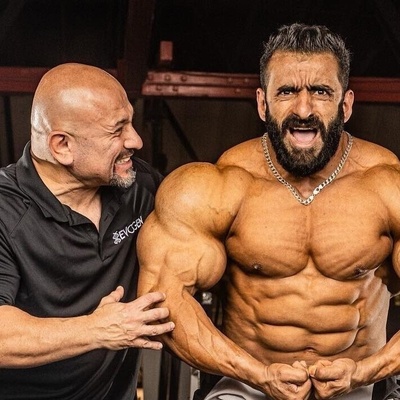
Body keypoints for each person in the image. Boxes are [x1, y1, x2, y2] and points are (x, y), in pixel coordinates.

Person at [137, 23, 400, 400]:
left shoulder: (388, 186)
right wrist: (259, 375)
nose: (303, 110)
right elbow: (164, 302)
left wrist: (365, 371)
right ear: (262, 103)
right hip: (247, 383)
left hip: (359, 384)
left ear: (346, 104)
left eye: (321, 91)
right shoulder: (213, 188)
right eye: (287, 91)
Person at [0, 63, 175, 399]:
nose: (135, 140)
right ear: (62, 145)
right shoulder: (6, 211)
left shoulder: (137, 184)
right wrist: (96, 329)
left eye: (131, 122)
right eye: (117, 130)